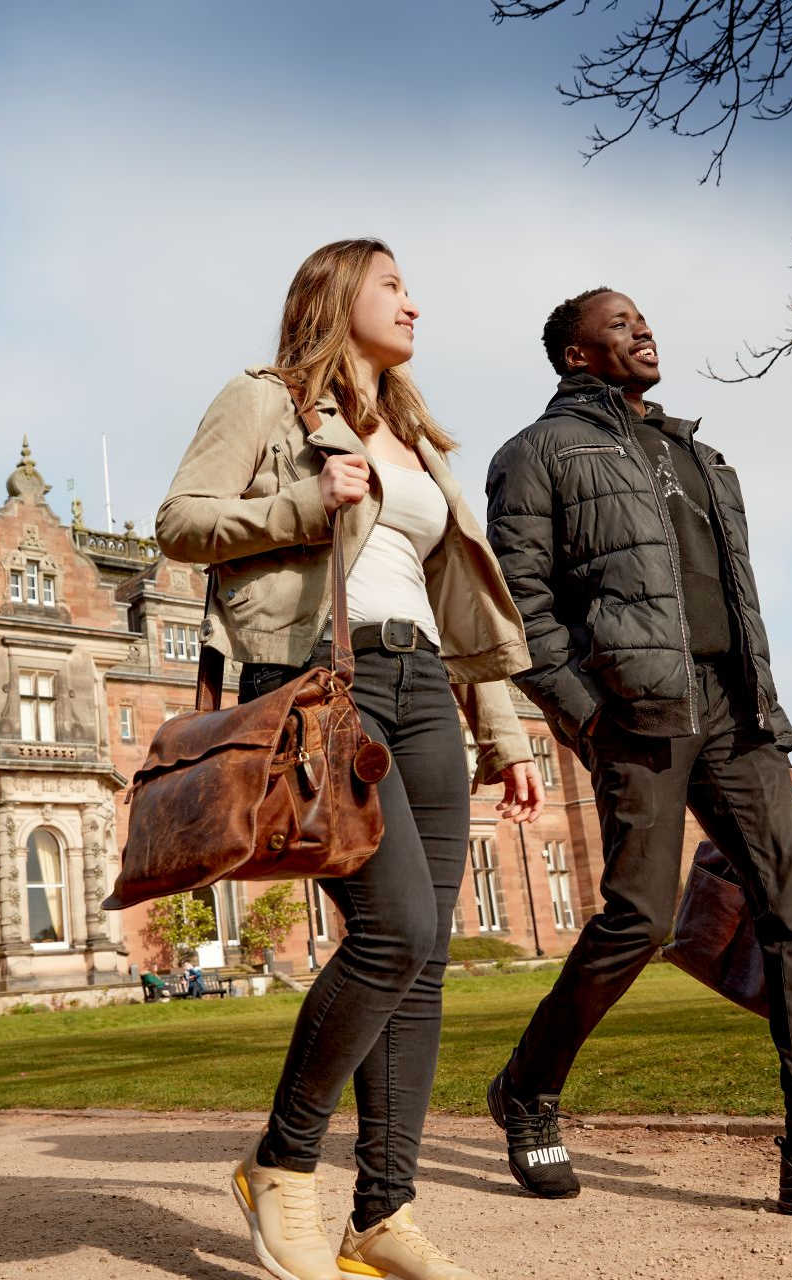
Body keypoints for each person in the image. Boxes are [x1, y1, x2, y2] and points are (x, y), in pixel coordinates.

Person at [483, 286, 792, 1223]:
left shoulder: (701, 455)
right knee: (640, 919)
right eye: (619, 322)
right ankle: (527, 1086)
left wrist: (766, 718)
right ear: (575, 354)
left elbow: (734, 604)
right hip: (637, 714)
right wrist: (588, 717)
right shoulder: (537, 454)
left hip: (734, 711)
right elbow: (519, 608)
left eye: (643, 318)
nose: (642, 328)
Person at [156, 238, 545, 1280]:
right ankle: (281, 1164)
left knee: (424, 958)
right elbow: (180, 522)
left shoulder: (413, 435)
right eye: (393, 286)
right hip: (328, 682)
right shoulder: (266, 401)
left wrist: (503, 734)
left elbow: (454, 599)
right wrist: (303, 502)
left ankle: (382, 1212)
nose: (414, 304)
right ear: (338, 297)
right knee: (395, 928)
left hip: (426, 690)